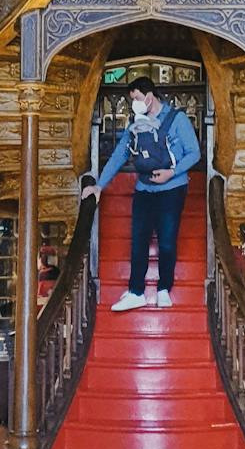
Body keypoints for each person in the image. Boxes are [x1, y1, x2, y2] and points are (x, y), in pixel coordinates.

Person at [82, 75, 201, 311]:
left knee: (167, 242)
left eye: (136, 98)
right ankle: (136, 291)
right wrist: (99, 185)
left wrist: (172, 173)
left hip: (172, 189)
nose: (133, 103)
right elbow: (119, 155)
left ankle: (164, 288)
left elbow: (194, 153)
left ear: (148, 97)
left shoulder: (177, 119)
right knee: (138, 241)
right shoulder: (135, 125)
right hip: (144, 189)